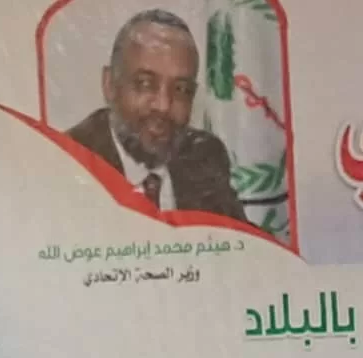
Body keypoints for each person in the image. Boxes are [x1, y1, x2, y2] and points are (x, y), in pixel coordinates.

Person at [65, 9, 248, 223]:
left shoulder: (203, 155)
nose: (163, 106)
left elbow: (240, 239)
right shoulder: (68, 163)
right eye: (145, 83)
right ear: (109, 84)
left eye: (180, 89)